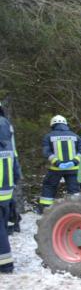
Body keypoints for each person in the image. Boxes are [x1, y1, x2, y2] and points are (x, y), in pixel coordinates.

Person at [39, 115, 81, 210]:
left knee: (49, 187)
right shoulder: (75, 136)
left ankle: (46, 209)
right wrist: (74, 162)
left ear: (52, 124)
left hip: (55, 169)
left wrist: (58, 163)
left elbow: (47, 153)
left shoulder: (48, 136)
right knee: (74, 191)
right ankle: (75, 210)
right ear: (65, 124)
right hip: (73, 169)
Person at [0, 107, 21, 273]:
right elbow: (15, 170)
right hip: (6, 192)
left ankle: (5, 264)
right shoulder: (8, 148)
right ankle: (5, 263)